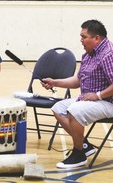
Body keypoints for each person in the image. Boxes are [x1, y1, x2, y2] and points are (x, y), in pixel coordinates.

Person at [42, 19, 113, 169]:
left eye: (84, 37)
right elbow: (77, 81)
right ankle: (84, 145)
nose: (81, 40)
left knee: (74, 110)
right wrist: (55, 82)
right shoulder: (89, 54)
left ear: (97, 38)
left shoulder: (108, 54)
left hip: (108, 102)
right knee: (58, 108)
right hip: (90, 100)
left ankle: (78, 153)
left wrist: (98, 95)